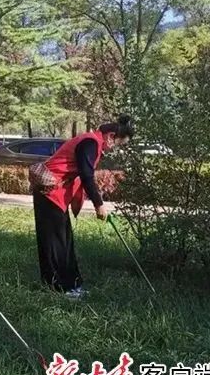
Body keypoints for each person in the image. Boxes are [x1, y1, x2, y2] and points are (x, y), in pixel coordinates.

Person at [30, 115, 134, 300]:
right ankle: (58, 288)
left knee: (65, 241)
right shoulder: (90, 143)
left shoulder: (92, 142)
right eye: (118, 144)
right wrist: (98, 204)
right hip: (49, 193)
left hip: (58, 195)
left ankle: (72, 284)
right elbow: (87, 175)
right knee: (55, 243)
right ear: (111, 136)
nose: (115, 148)